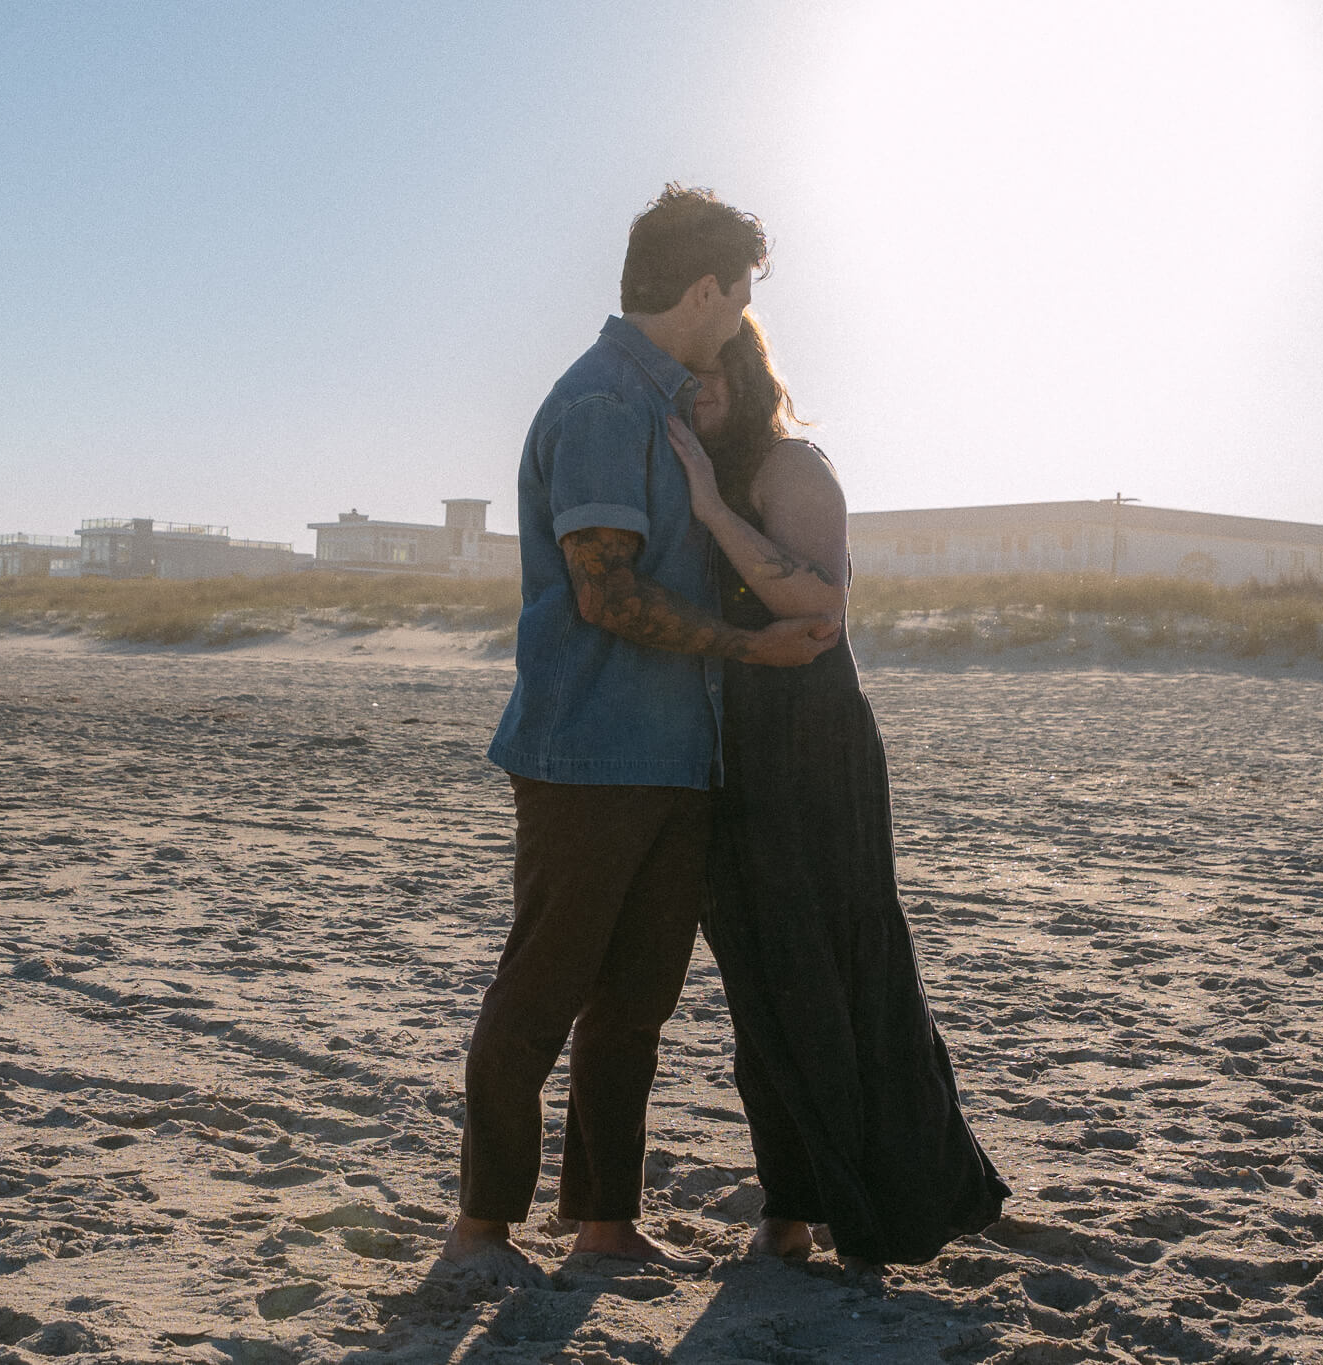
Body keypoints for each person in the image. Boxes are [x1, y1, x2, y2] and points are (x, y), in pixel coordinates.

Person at [443, 187, 839, 1287]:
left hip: (674, 756)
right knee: (539, 993)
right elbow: (604, 595)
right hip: (587, 754)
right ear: (705, 287)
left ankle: (604, 1223)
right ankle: (480, 1227)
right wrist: (748, 649)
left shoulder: (660, 401)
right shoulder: (605, 407)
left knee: (633, 1005)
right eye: (741, 292)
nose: (743, 315)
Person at [667, 315, 1010, 1270]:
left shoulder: (790, 467)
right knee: (760, 980)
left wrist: (710, 508)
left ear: (741, 373)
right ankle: (789, 1203)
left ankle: (889, 1206)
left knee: (841, 968)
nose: (692, 396)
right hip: (731, 751)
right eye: (682, 381)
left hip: (812, 749)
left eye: (706, 379)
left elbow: (819, 605)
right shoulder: (707, 470)